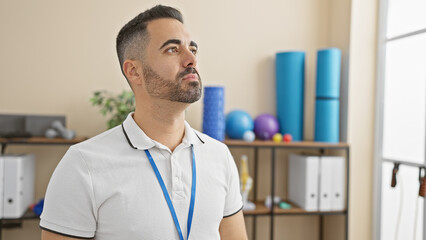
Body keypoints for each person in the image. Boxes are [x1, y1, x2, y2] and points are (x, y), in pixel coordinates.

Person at [40, 5, 248, 240]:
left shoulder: (219, 155)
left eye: (193, 49)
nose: (191, 60)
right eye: (172, 49)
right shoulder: (83, 165)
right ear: (134, 72)